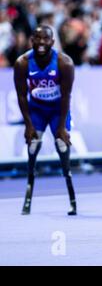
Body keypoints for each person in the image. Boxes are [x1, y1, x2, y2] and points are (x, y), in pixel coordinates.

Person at [14, 25, 77, 215]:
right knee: (33, 146)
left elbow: (66, 97)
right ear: (31, 40)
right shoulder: (23, 63)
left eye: (45, 39)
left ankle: (72, 198)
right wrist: (28, 125)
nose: (41, 42)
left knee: (62, 145)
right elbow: (22, 96)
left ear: (52, 42)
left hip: (58, 109)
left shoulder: (64, 63)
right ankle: (28, 192)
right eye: (37, 38)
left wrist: (61, 128)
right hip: (37, 110)